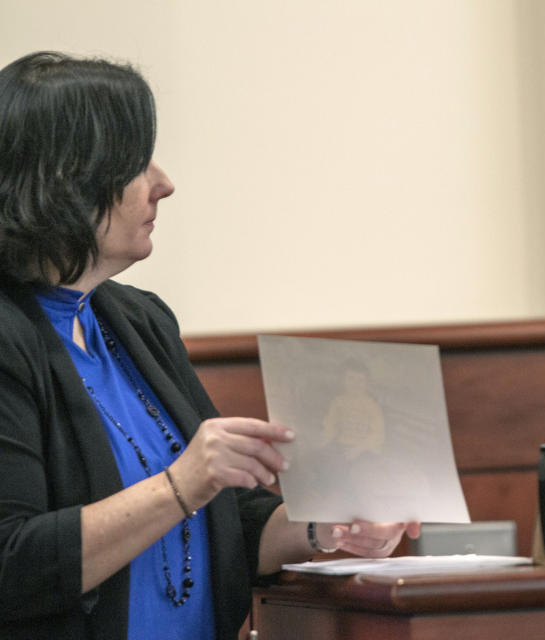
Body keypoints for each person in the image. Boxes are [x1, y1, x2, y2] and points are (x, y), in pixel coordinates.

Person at [0, 51, 419, 639]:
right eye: (135, 163)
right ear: (64, 181)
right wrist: (181, 484)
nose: (163, 183)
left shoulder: (138, 321)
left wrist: (325, 528)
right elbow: (12, 562)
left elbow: (224, 525)